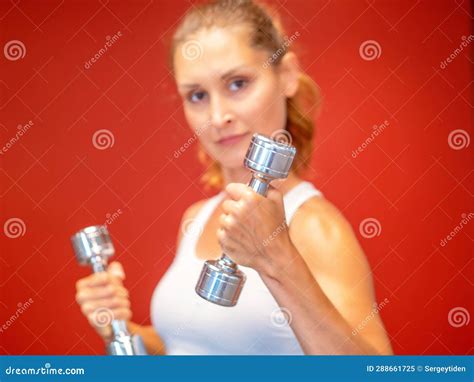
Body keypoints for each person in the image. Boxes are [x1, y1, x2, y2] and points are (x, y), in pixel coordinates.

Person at [75, 0, 393, 355]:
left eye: (238, 83)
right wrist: (118, 328)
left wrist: (277, 260)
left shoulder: (314, 226)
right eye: (197, 95)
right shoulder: (197, 218)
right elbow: (188, 349)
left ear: (286, 74)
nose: (217, 115)